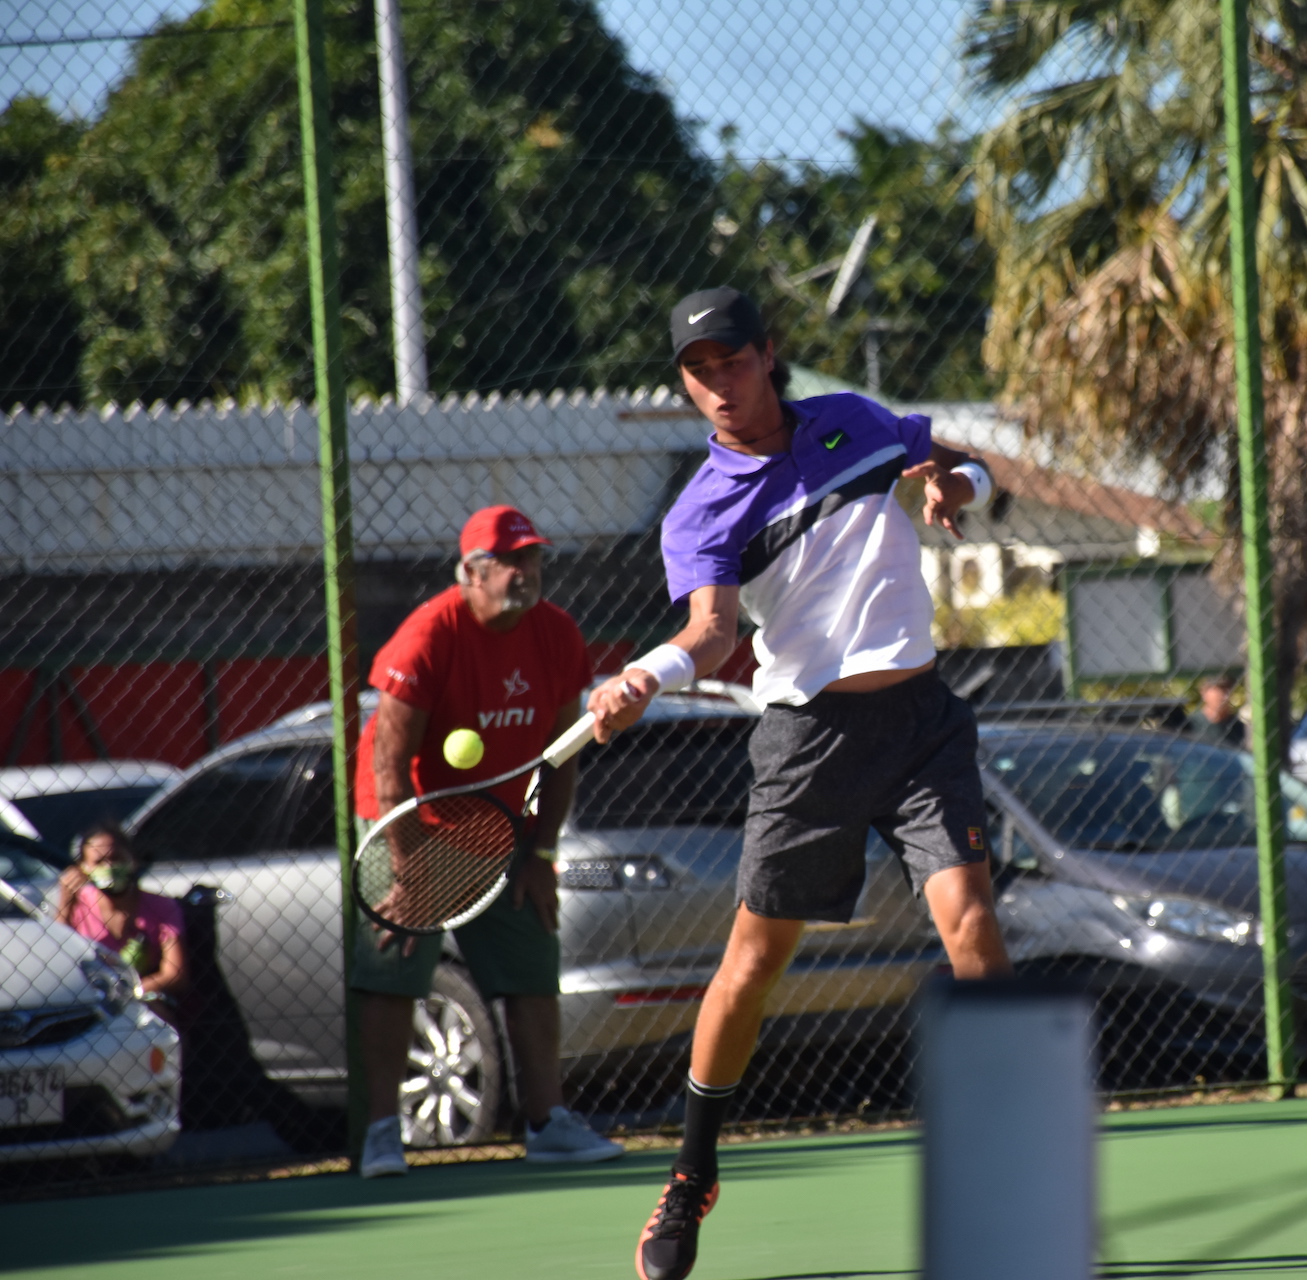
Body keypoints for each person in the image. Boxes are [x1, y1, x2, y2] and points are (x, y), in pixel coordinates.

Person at [585, 287, 1013, 1280]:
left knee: (975, 927)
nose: (720, 384)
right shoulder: (699, 509)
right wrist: (645, 675)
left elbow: (948, 464)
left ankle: (1008, 1159)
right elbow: (713, 631)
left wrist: (964, 485)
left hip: (922, 723)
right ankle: (692, 1172)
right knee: (749, 965)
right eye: (699, 371)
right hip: (810, 737)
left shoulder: (854, 420)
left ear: (769, 355)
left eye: (733, 361)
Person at [350, 504, 623, 1177]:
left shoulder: (557, 635)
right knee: (394, 972)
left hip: (499, 829)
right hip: (407, 820)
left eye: (532, 558)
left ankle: (549, 1123)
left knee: (533, 967)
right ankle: (381, 1134)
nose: (526, 572)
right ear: (471, 572)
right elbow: (389, 760)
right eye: (510, 561)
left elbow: (563, 754)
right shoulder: (429, 635)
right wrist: (407, 871)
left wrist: (541, 855)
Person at [56, 822, 188, 1021]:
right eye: (99, 862)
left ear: (133, 860)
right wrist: (65, 903)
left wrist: (128, 994)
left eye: (116, 858)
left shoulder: (160, 906)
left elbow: (174, 973)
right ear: (83, 869)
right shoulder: (77, 906)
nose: (109, 867)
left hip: (143, 997)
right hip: (89, 999)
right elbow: (55, 956)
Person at [1190, 675, 1247, 749]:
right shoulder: (1192, 724)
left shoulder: (1239, 727)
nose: (1226, 696)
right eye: (1221, 690)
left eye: (1228, 689)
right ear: (1204, 693)